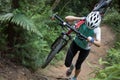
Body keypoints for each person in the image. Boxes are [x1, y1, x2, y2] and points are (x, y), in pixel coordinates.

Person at [64, 11, 102, 80]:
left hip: (85, 49)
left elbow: (99, 43)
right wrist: (80, 18)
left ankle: (75, 78)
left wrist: (92, 40)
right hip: (75, 43)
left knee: (78, 65)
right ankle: (71, 67)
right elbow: (67, 18)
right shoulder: (83, 20)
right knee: (67, 63)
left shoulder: (97, 29)